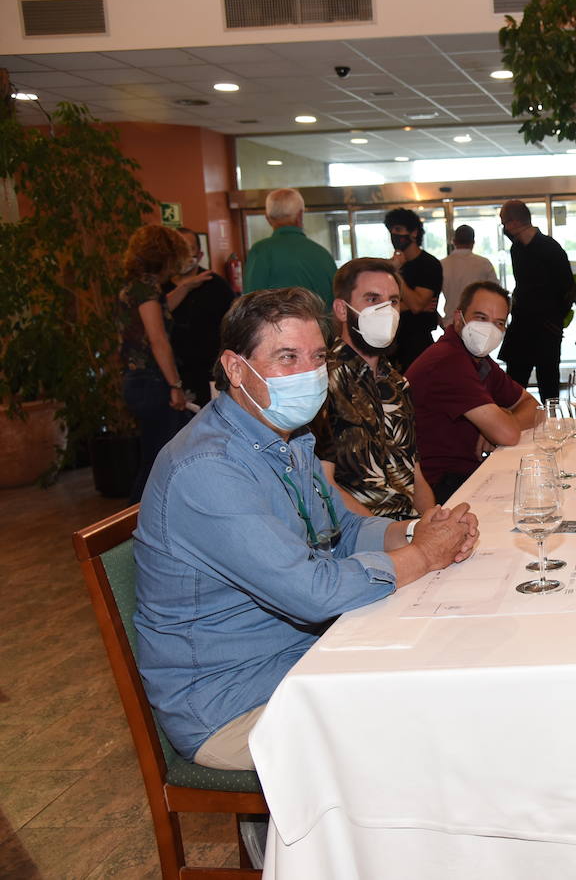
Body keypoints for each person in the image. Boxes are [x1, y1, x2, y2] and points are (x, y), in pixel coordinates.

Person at [133, 287, 480, 772]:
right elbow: (311, 592)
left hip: (297, 657)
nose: (309, 373)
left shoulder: (287, 440)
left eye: (317, 357)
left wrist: (416, 530)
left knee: (448, 663)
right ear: (235, 369)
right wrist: (424, 557)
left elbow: (338, 531)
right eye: (286, 357)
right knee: (424, 727)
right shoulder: (207, 469)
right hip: (231, 703)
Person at [312, 258, 435, 519]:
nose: (385, 310)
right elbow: (323, 487)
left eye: (393, 301)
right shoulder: (322, 382)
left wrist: (434, 522)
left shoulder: (397, 383)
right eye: (371, 299)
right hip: (358, 539)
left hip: (410, 529)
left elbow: (414, 474)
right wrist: (392, 535)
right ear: (342, 310)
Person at [408, 281, 540, 503]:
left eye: (499, 323)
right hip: (438, 488)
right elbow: (507, 435)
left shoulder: (478, 360)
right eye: (481, 318)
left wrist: (504, 419)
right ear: (459, 319)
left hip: (467, 473)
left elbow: (534, 407)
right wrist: (499, 425)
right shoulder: (447, 360)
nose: (489, 329)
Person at [117, 224, 195, 504]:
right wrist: (175, 386)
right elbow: (158, 338)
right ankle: (134, 526)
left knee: (154, 455)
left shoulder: (135, 286)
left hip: (135, 382)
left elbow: (159, 311)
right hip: (152, 383)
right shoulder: (147, 288)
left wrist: (186, 287)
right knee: (157, 462)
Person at [496, 200, 575, 403]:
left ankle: (553, 427)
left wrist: (553, 320)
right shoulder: (516, 249)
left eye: (504, 223)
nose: (504, 228)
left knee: (548, 385)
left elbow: (568, 290)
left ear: (513, 223)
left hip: (546, 329)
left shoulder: (550, 248)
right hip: (521, 327)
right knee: (514, 385)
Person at [167, 227, 236, 406]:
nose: (183, 255)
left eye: (188, 248)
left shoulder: (216, 286)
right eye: (178, 249)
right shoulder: (159, 289)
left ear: (199, 253)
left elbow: (235, 328)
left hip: (209, 375)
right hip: (170, 378)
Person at [242, 188, 336, 307]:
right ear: (300, 216)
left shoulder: (260, 251)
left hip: (276, 326)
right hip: (320, 325)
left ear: (268, 218)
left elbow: (250, 305)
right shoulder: (322, 254)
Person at [386, 207, 444, 372]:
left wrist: (396, 274)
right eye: (391, 230)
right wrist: (405, 306)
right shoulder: (393, 264)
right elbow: (385, 305)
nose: (394, 234)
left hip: (418, 342)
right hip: (393, 340)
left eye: (398, 229)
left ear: (413, 233)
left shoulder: (428, 264)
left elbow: (417, 305)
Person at [439, 224, 497, 327]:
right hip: (478, 323)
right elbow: (496, 295)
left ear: (454, 241)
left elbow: (430, 300)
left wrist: (442, 322)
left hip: (450, 322)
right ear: (473, 242)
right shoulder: (484, 263)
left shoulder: (441, 265)